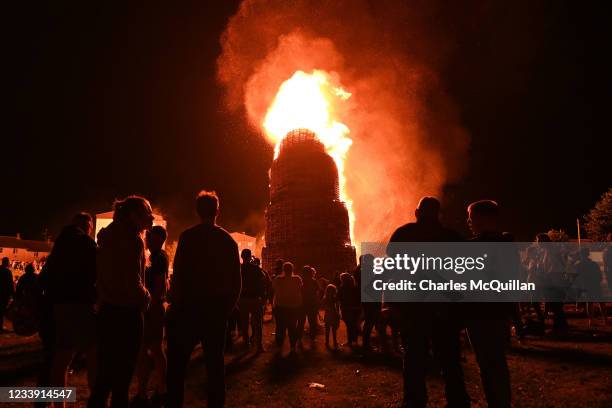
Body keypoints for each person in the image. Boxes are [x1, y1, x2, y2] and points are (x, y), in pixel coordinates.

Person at [388, 196, 470, 408]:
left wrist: (390, 304)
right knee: (450, 359)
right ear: (438, 214)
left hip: (413, 309)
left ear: (417, 213)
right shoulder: (451, 238)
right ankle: (458, 401)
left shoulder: (403, 235)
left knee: (414, 359)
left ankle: (414, 401)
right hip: (445, 310)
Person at [166, 191, 241, 408]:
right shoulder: (227, 241)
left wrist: (177, 304)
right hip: (215, 313)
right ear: (217, 211)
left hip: (187, 311)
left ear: (197, 211)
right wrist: (225, 310)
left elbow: (178, 273)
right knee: (215, 369)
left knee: (177, 368)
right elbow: (235, 282)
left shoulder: (188, 237)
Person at [88, 196, 153, 408]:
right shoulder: (133, 240)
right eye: (147, 214)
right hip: (128, 313)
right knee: (122, 379)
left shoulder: (107, 236)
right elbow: (132, 278)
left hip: (107, 311)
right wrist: (145, 295)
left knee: (104, 376)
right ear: (134, 216)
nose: (150, 219)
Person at [39, 213, 97, 402]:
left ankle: (58, 404)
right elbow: (98, 272)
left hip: (59, 305)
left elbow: (46, 276)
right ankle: (96, 400)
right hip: (81, 304)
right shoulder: (87, 244)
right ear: (87, 226)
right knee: (93, 354)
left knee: (62, 358)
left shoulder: (59, 246)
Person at [464, 200, 512, 408]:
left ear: (483, 219)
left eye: (471, 217)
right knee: (498, 362)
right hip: (500, 313)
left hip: (479, 315)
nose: (469, 221)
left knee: (486, 363)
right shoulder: (508, 246)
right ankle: (502, 402)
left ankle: (497, 402)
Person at [133, 226, 169, 408]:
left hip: (152, 310)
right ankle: (150, 391)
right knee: (150, 350)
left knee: (152, 349)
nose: (147, 239)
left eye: (151, 237)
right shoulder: (154, 256)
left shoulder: (158, 257)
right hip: (151, 308)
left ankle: (158, 391)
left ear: (159, 239)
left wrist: (149, 305)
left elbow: (159, 285)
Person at [238, 248, 267, 351]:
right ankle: (259, 346)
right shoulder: (256, 269)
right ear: (250, 256)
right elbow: (262, 282)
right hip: (255, 298)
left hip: (243, 299)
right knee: (258, 323)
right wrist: (263, 297)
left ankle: (246, 345)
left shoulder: (239, 269)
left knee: (244, 323)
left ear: (242, 257)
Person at [272, 262, 303, 352]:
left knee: (280, 327)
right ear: (292, 269)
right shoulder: (297, 279)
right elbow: (300, 289)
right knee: (292, 327)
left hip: (280, 306)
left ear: (283, 269)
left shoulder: (278, 279)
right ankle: (292, 346)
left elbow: (274, 289)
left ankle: (279, 346)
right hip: (293, 306)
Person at [574, 247, 607, 327]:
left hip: (586, 286)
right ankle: (605, 319)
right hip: (595, 285)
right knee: (601, 303)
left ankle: (591, 321)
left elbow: (576, 278)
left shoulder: (578, 265)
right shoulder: (594, 264)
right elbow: (599, 275)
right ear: (588, 254)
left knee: (589, 303)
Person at [337, 272, 360, 348]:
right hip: (355, 308)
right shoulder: (355, 287)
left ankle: (350, 341)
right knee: (354, 325)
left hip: (346, 309)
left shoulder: (342, 288)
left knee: (349, 325)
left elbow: (338, 298)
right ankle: (355, 340)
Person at [297, 266, 320, 341]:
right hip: (311, 303)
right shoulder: (313, 281)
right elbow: (317, 292)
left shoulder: (301, 281)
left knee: (301, 322)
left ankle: (299, 337)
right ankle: (312, 338)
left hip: (302, 303)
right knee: (312, 322)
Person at [322, 284, 340, 349]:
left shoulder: (325, 298)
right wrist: (338, 314)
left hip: (328, 314)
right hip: (333, 314)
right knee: (333, 329)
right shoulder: (334, 298)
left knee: (328, 329)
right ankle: (334, 341)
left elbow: (323, 305)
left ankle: (328, 342)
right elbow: (337, 306)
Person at [0, 257, 14, 332]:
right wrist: (13, 294)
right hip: (4, 294)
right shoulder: (7, 272)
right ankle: (0, 327)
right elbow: (10, 284)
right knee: (2, 310)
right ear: (6, 263)